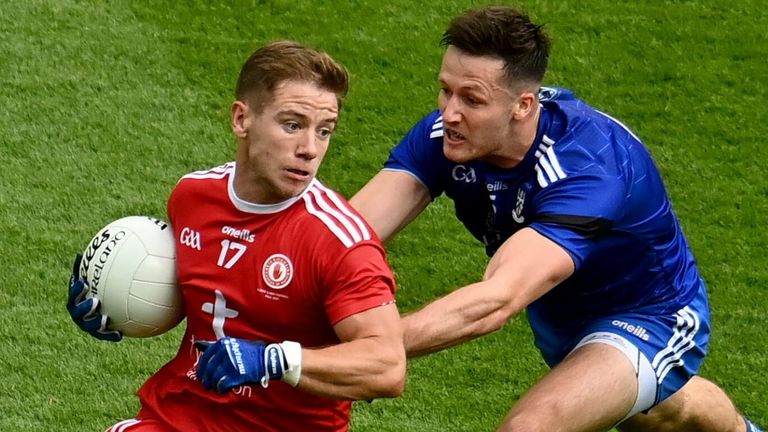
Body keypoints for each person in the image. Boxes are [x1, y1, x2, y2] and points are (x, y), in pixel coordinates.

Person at [350, 6, 763, 432]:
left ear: (523, 106)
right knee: (663, 413)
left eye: (472, 99)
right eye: (445, 90)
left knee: (531, 426)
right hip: (562, 318)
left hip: (651, 315)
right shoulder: (448, 134)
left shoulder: (589, 169)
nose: (449, 113)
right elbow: (345, 236)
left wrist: (360, 349)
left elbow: (495, 300)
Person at [67, 40, 405, 431]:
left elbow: (387, 366)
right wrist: (114, 305)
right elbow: (208, 296)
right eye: (292, 125)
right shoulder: (192, 197)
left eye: (324, 131)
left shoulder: (340, 242)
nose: (310, 149)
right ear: (241, 119)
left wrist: (276, 359)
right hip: (181, 416)